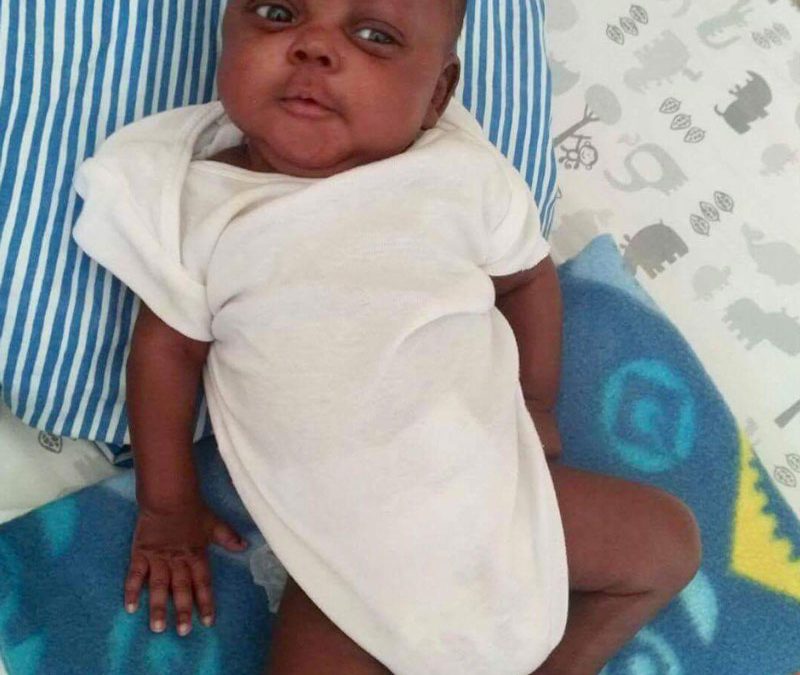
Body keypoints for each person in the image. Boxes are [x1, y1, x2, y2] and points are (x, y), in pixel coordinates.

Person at [72, 1, 702, 673]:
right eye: (278, 13)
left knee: (669, 544)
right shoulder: (195, 205)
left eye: (375, 36)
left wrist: (536, 404)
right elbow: (165, 353)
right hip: (341, 571)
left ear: (437, 93)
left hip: (498, 502)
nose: (314, 47)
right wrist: (168, 508)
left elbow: (526, 278)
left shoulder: (458, 175)